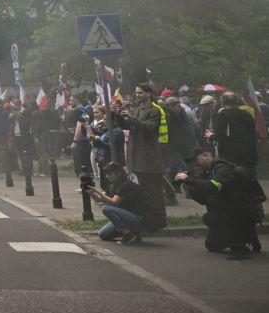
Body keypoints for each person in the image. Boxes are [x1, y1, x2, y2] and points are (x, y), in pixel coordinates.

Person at [176, 146, 264, 260]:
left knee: (214, 217)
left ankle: (240, 247)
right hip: (231, 211)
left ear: (207, 156)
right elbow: (203, 199)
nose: (195, 164)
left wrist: (189, 180)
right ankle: (249, 237)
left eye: (196, 159)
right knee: (212, 246)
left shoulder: (223, 169)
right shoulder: (208, 172)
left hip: (242, 212)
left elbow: (213, 186)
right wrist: (190, 186)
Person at [114, 83, 167, 231]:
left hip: (149, 157)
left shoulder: (155, 110)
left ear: (149, 93)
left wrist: (130, 117)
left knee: (154, 192)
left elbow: (149, 128)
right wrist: (119, 116)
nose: (137, 95)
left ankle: (158, 221)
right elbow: (127, 126)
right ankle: (146, 220)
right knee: (141, 191)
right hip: (136, 155)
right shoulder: (136, 109)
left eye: (141, 93)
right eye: (136, 93)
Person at [89, 162, 152, 244]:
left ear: (118, 174)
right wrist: (91, 193)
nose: (107, 176)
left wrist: (97, 191)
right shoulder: (112, 185)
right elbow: (100, 199)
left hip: (138, 217)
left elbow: (114, 202)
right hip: (126, 217)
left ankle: (127, 233)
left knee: (106, 208)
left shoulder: (126, 185)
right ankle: (133, 232)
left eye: (109, 174)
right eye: (106, 174)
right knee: (103, 234)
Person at [212, 92, 257, 168]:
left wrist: (211, 136)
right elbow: (253, 130)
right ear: (237, 101)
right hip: (249, 152)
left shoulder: (223, 115)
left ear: (222, 102)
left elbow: (220, 135)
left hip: (232, 154)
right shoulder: (246, 114)